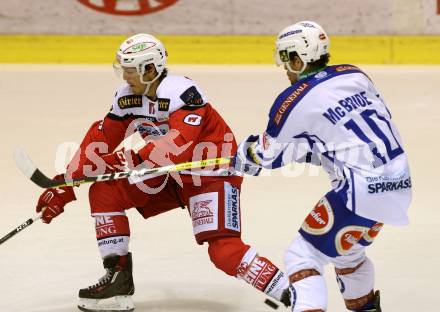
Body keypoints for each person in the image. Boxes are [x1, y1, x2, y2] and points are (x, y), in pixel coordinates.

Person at [34, 34, 290, 312]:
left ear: (150, 69)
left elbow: (178, 144)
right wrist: (66, 182)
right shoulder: (127, 97)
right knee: (105, 191)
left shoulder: (183, 92)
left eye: (130, 69)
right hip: (168, 174)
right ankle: (118, 280)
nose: (125, 76)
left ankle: (292, 293)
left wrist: (129, 159)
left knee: (224, 252)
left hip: (210, 176)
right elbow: (101, 140)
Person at [233, 21, 412, 311]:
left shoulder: (293, 100)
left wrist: (245, 155)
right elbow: (344, 137)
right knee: (348, 254)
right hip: (398, 184)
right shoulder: (355, 75)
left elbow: (265, 154)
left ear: (298, 58)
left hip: (358, 194)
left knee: (303, 257)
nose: (285, 69)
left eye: (286, 61)